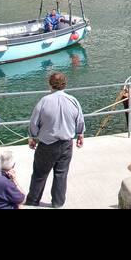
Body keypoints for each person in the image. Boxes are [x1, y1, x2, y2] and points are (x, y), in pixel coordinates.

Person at [24, 72, 85, 209]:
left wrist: (33, 137)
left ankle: (33, 202)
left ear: (50, 84)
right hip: (66, 144)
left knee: (40, 174)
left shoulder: (44, 101)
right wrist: (80, 134)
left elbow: (34, 123)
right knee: (61, 174)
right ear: (65, 84)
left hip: (46, 145)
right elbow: (80, 120)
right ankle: (58, 203)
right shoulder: (73, 100)